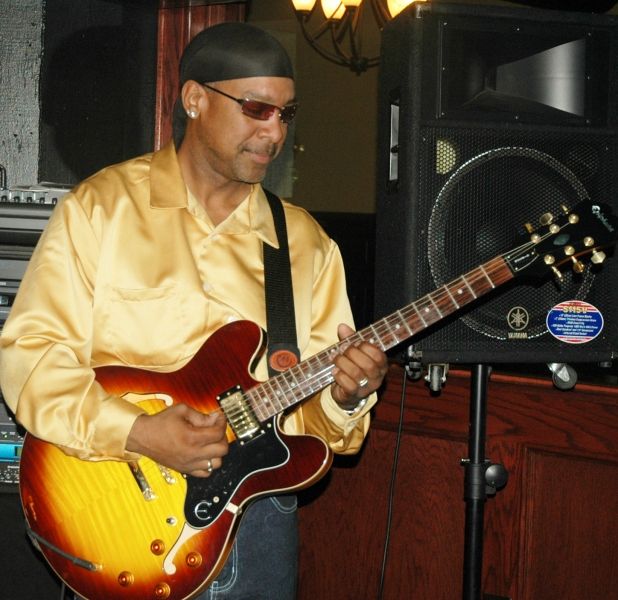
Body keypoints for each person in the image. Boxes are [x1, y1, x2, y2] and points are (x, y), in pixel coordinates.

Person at [0, 22, 387, 600]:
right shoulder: (101, 209)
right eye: (257, 109)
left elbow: (314, 431)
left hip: (255, 530)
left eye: (286, 114)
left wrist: (347, 396)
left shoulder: (305, 244)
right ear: (194, 99)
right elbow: (31, 360)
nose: (275, 132)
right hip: (114, 515)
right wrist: (137, 431)